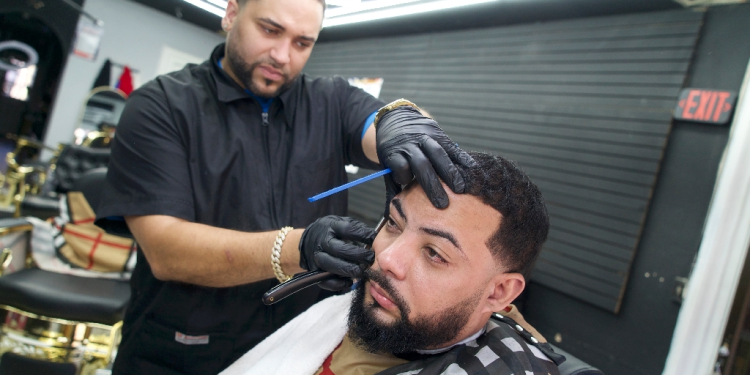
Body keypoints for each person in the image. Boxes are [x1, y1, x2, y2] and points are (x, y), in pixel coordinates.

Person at [95, 0, 473, 373]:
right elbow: (166, 250)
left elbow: (381, 119)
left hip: (299, 346)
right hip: (182, 349)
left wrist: (404, 124)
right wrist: (298, 248)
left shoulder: (331, 101)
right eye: (270, 30)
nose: (282, 55)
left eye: (302, 43)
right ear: (231, 14)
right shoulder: (160, 106)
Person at [218, 151, 563, 375]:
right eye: (394, 224)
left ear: (500, 291)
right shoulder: (348, 313)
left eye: (434, 253)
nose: (386, 258)